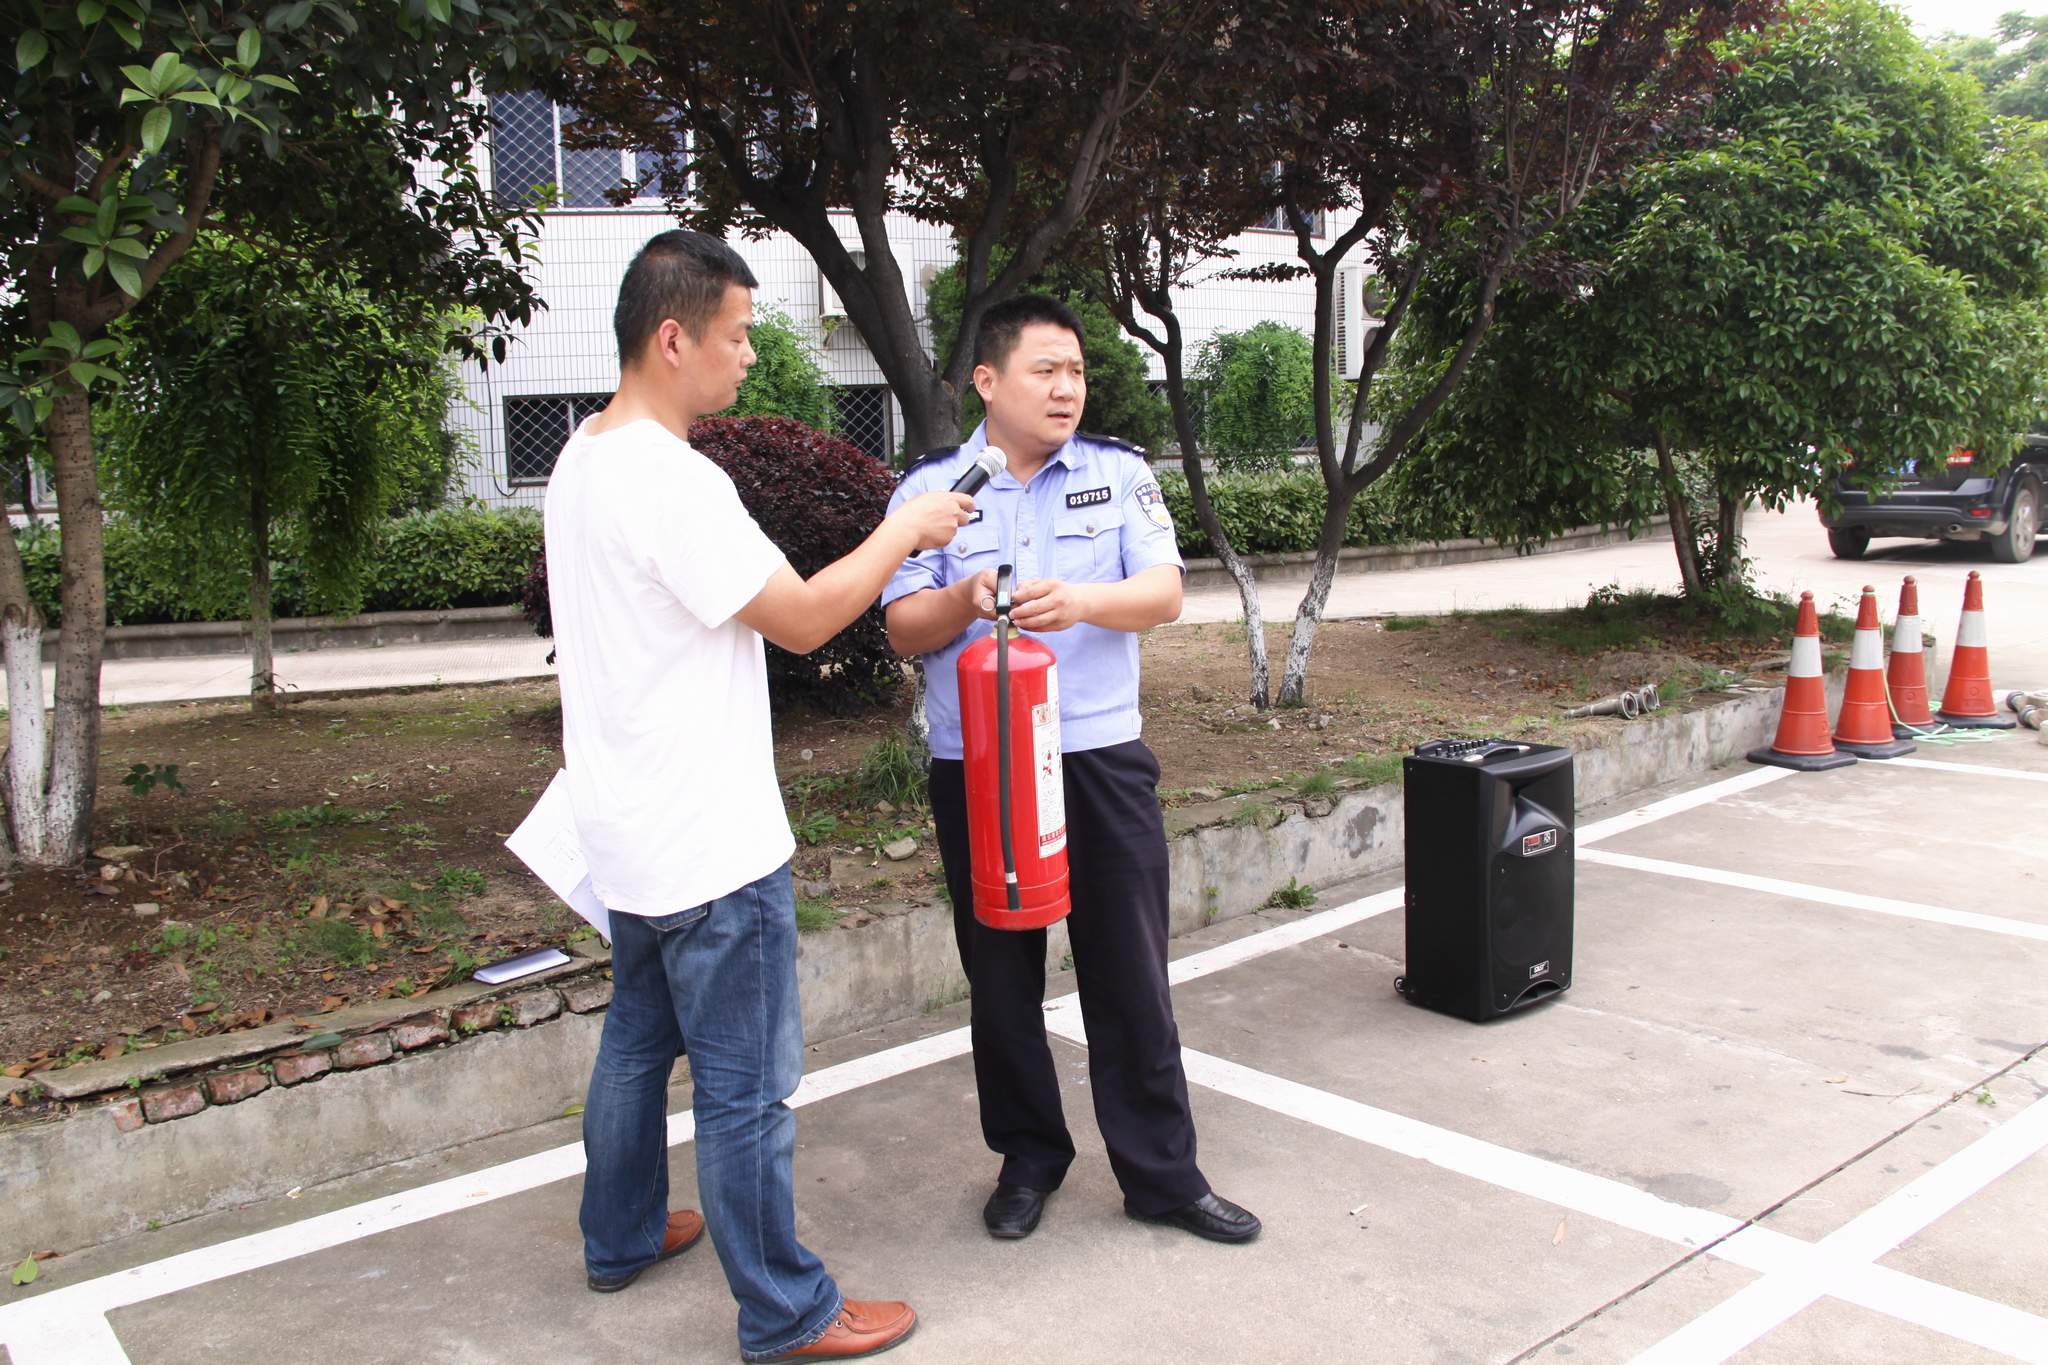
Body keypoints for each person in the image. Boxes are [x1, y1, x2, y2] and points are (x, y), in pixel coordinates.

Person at [546, 229, 972, 1362]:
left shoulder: (582, 455)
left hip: (626, 826)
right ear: (672, 338)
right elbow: (803, 619)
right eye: (734, 336)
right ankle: (786, 1311)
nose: (746, 355)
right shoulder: (672, 479)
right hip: (707, 839)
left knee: (637, 1041)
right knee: (745, 1088)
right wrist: (904, 529)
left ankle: (620, 1235)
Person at [880, 294, 1261, 1245]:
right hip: (981, 764)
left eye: (1077, 371)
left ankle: (1162, 1175)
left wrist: (1083, 601)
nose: (1067, 388)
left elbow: (1164, 592)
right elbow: (901, 627)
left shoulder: (1117, 473)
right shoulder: (931, 491)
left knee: (1129, 968)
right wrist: (965, 597)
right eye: (1045, 370)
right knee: (1000, 975)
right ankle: (1028, 1158)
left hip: (1098, 754)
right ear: (987, 380)